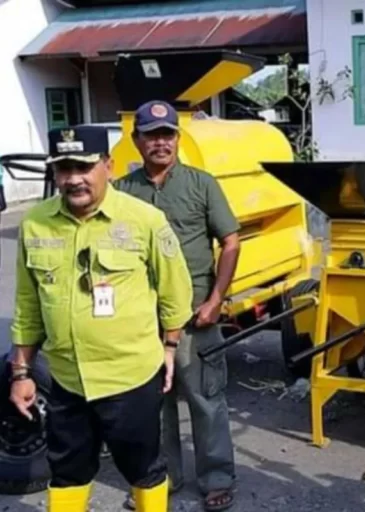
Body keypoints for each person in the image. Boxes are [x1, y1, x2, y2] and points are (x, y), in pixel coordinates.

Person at [9, 125, 193, 512]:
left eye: (84, 166)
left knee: (143, 467)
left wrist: (170, 346)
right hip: (67, 379)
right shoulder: (36, 223)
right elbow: (28, 306)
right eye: (63, 168)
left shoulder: (145, 219)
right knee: (67, 471)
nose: (73, 178)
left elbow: (176, 293)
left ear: (107, 166)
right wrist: (22, 374)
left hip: (130, 376)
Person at [114, 100, 241, 512]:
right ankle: (162, 479)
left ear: (177, 138)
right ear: (137, 142)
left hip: (193, 314)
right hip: (141, 318)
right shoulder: (122, 191)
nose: (160, 142)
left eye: (167, 134)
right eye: (151, 136)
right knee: (152, 403)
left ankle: (217, 478)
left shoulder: (202, 184)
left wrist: (217, 299)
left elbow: (231, 241)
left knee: (205, 398)